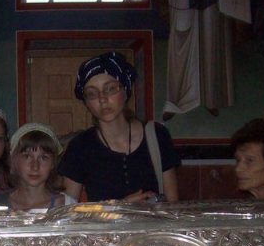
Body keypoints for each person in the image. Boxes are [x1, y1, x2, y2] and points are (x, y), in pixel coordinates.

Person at [58, 51, 181, 204]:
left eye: (110, 89)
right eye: (92, 94)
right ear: (87, 103)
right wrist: (121, 206)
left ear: (125, 90)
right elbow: (68, 210)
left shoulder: (156, 135)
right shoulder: (80, 147)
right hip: (104, 222)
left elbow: (173, 204)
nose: (102, 99)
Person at [0, 123, 76, 211]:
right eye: (27, 156)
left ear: (53, 163)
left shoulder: (68, 206)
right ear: (14, 160)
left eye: (43, 158)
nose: (35, 167)